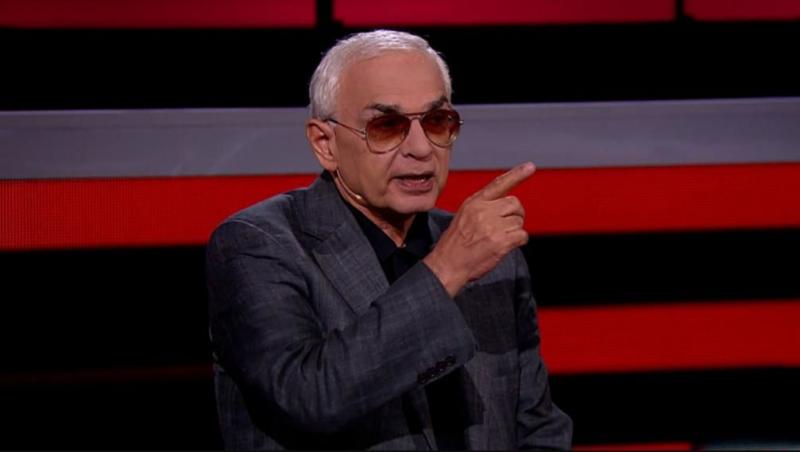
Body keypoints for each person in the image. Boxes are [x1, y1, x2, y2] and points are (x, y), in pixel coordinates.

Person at [206, 29, 572, 450]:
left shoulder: (491, 258)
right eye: (387, 126)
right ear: (325, 144)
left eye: (436, 122)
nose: (421, 148)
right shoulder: (256, 245)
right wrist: (446, 270)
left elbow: (537, 428)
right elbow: (310, 397)